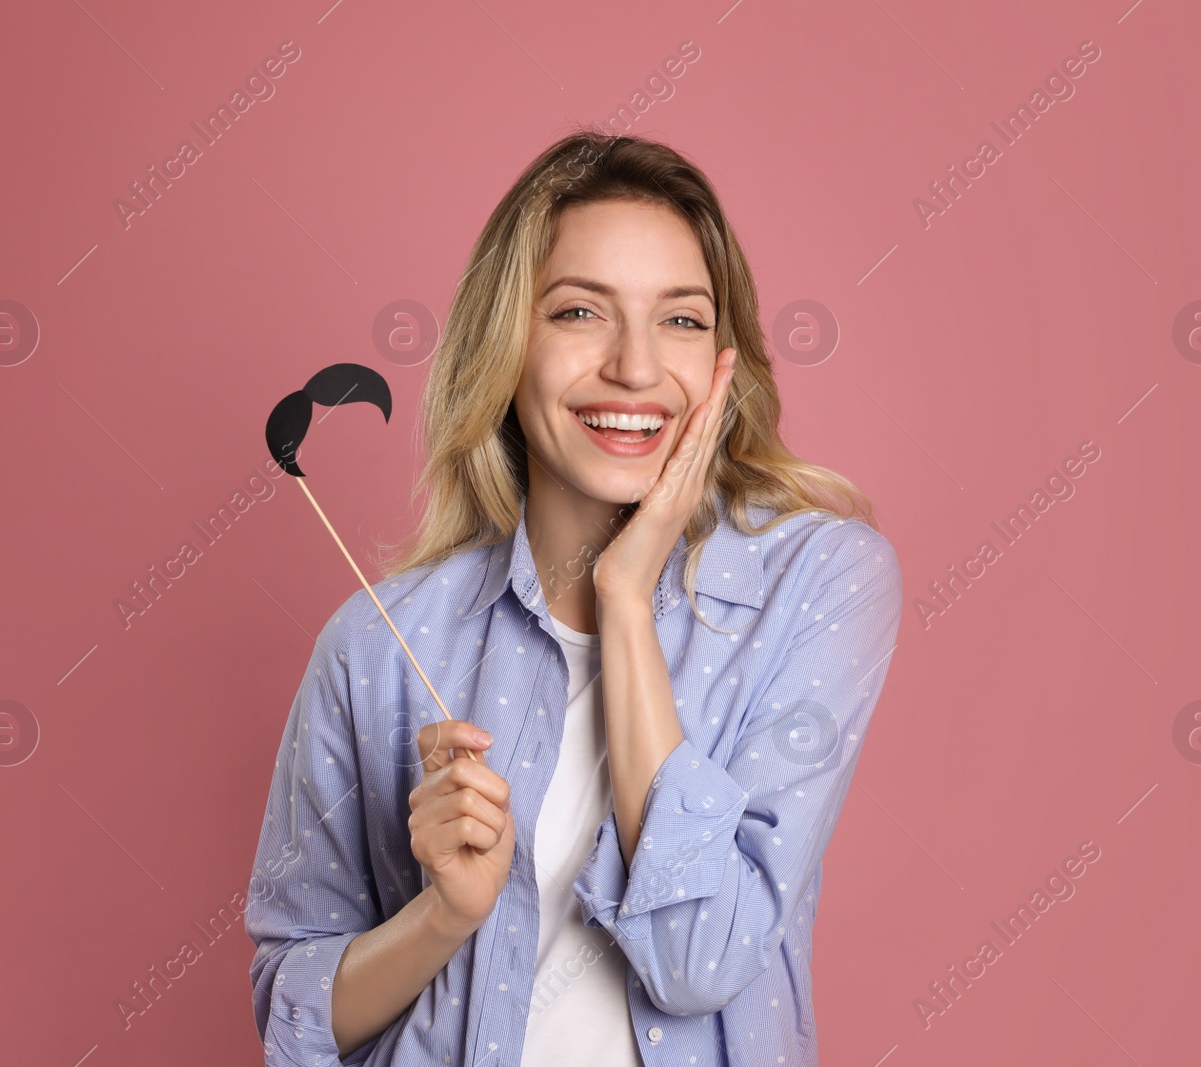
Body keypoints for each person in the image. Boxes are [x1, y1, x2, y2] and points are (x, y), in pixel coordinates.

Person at [245, 129, 902, 1066]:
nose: (635, 368)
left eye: (680, 319)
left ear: (725, 359)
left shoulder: (819, 582)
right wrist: (442, 916)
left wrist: (624, 597)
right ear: (506, 344)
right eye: (580, 312)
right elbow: (294, 1011)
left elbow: (699, 959)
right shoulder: (380, 642)